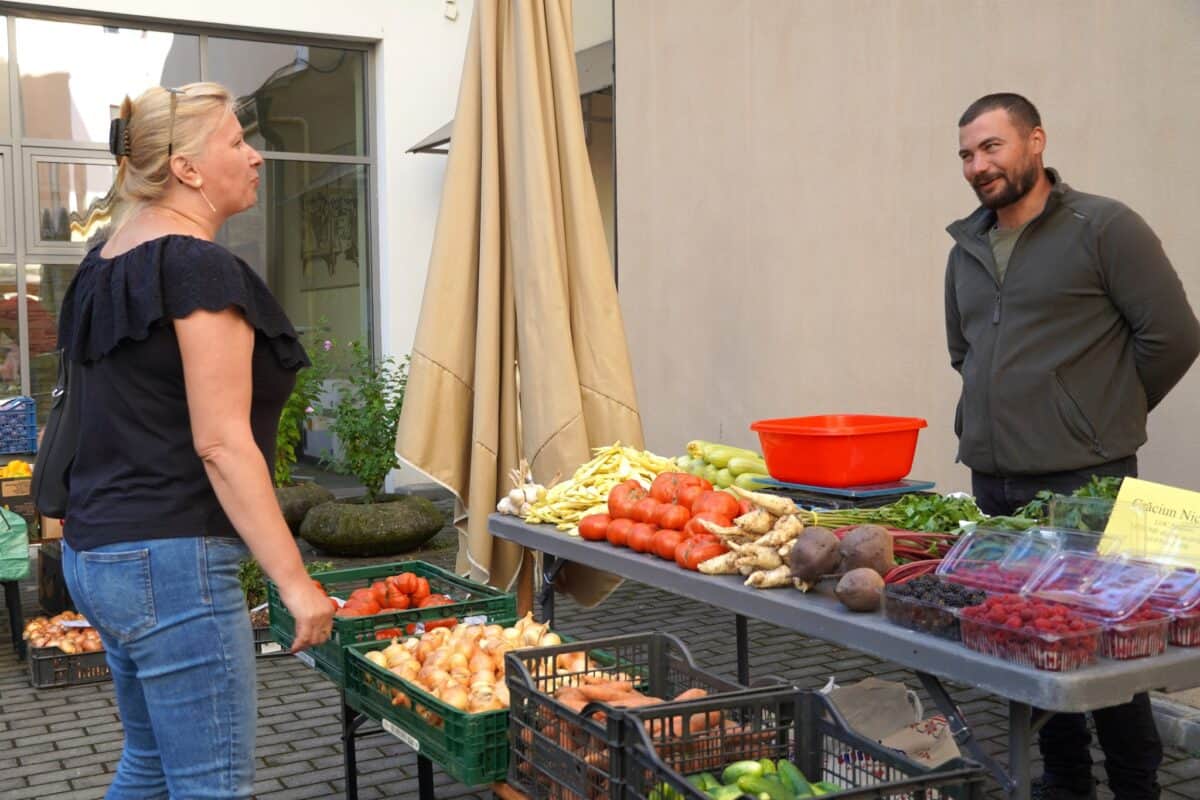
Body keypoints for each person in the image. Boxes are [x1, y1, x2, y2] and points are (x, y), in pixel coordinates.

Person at [56, 82, 334, 798]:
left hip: (100, 554)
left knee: (148, 766)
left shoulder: (102, 263)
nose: (256, 156)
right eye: (236, 142)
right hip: (169, 565)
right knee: (212, 785)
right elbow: (221, 442)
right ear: (186, 168)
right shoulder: (198, 268)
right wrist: (296, 583)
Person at [945, 93, 1200, 800]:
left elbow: (1174, 337)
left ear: (1036, 143)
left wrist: (1096, 417)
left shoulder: (1103, 228)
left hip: (1084, 483)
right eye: (967, 154)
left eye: (992, 147)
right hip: (994, 486)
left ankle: (1136, 785)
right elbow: (963, 350)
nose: (978, 165)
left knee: (1100, 649)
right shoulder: (965, 248)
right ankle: (1063, 780)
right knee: (1027, 642)